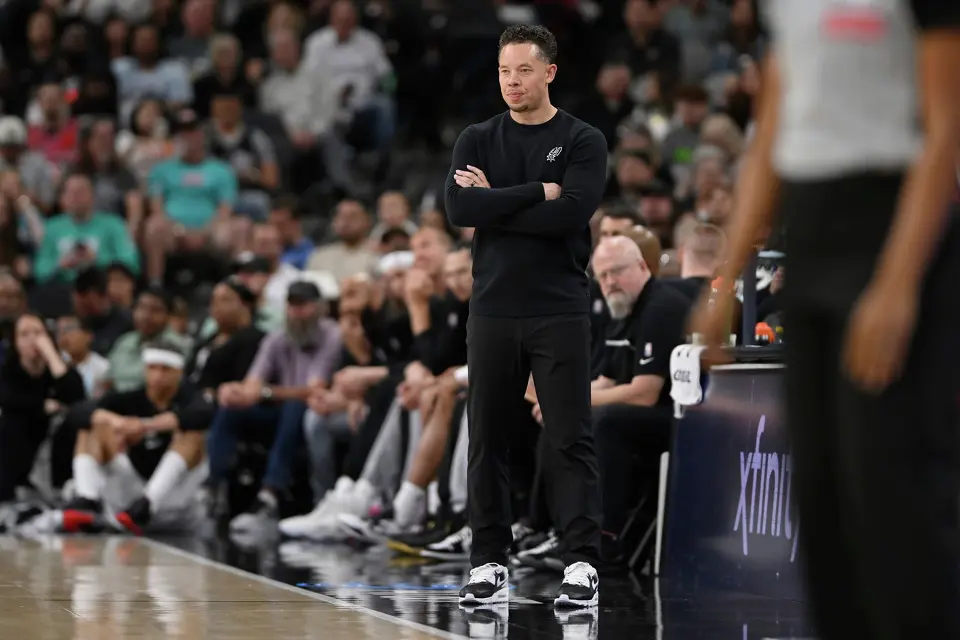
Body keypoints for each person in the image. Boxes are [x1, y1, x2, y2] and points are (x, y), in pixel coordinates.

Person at [690, 3, 960, 639]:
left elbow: (945, 127)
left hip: (891, 226)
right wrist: (724, 280)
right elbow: (771, 137)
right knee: (823, 495)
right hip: (810, 238)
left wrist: (897, 283)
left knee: (892, 495)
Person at [445, 24, 606, 608]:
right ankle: (488, 563)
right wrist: (539, 190)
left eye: (523, 71)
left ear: (549, 73)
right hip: (491, 308)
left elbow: (573, 216)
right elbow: (461, 207)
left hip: (558, 308)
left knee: (569, 437)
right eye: (504, 72)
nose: (512, 83)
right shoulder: (477, 137)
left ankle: (582, 563)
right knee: (488, 438)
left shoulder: (583, 139)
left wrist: (499, 201)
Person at [0, 313, 86, 503]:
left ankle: (64, 489)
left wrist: (51, 356)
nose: (33, 340)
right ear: (15, 342)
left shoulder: (58, 367)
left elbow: (77, 397)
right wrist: (42, 406)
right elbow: (9, 399)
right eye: (24, 334)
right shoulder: (8, 370)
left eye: (38, 333)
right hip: (19, 438)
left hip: (54, 440)